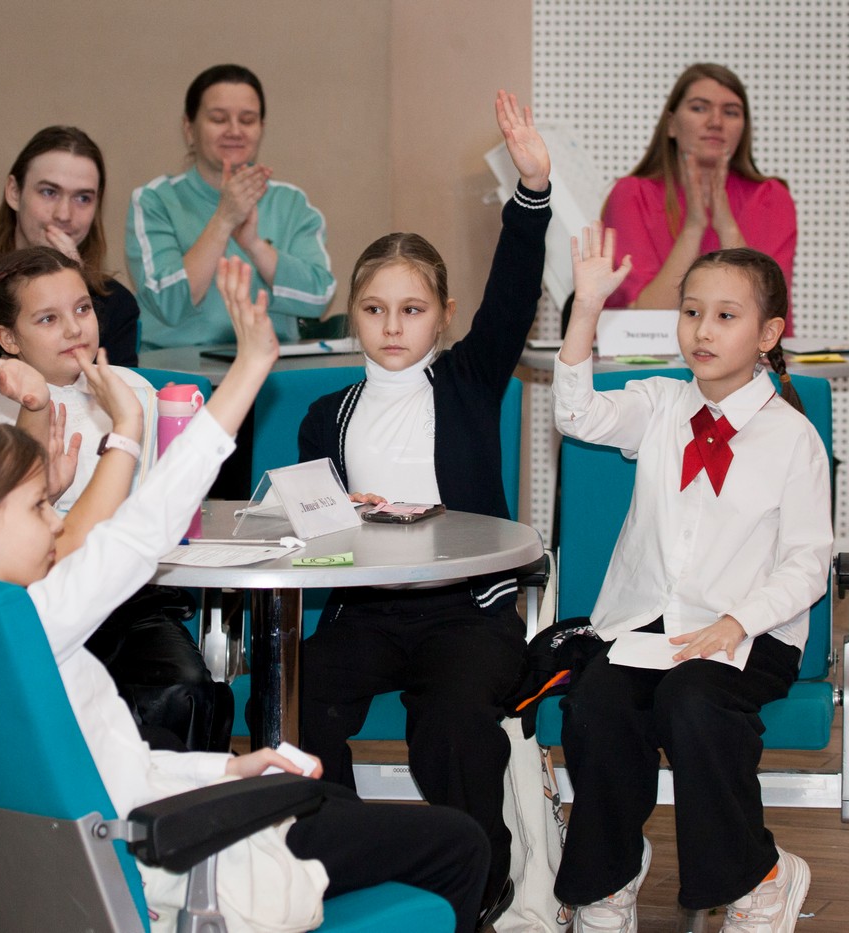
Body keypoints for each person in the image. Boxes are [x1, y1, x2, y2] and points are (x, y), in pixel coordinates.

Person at [0, 258, 488, 931]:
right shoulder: (28, 623)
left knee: (332, 802)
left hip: (108, 843)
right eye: (37, 507)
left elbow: (114, 765)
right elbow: (142, 528)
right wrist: (236, 374)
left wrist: (226, 770)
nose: (57, 523)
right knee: (459, 843)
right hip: (172, 859)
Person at [294, 93, 550, 928]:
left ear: (443, 315)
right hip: (366, 612)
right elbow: (314, 528)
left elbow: (513, 293)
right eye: (375, 309)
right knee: (300, 697)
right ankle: (342, 855)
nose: (392, 326)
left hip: (467, 614)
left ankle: (480, 879)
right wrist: (335, 514)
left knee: (451, 723)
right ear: (354, 315)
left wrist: (532, 193)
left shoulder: (470, 382)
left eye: (411, 309)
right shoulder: (325, 415)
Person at [551, 225, 830, 932]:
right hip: (646, 624)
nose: (703, 330)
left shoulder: (791, 438)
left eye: (726, 316)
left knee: (694, 701)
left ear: (768, 334)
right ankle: (609, 879)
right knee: (598, 702)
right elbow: (576, 414)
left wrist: (737, 622)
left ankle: (760, 877)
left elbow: (807, 561)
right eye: (692, 311)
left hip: (750, 633)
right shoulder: (661, 403)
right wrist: (587, 308)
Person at [0, 245, 233, 752]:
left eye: (82, 309)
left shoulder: (134, 391)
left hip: (131, 597)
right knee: (70, 705)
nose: (74, 329)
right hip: (46, 601)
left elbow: (167, 499)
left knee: (185, 689)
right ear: (9, 339)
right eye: (48, 319)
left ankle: (184, 794)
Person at [126, 63, 335, 349]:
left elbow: (319, 297)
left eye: (247, 120)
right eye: (219, 119)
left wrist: (254, 245)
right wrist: (224, 219)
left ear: (261, 129)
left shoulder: (292, 203)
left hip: (272, 365)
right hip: (174, 367)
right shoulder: (154, 200)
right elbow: (167, 303)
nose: (235, 131)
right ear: (189, 128)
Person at [0, 126, 139, 365]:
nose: (64, 214)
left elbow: (111, 386)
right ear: (14, 192)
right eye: (49, 192)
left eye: (83, 198)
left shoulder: (117, 306)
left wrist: (77, 286)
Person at [600, 64, 798, 334]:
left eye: (731, 112)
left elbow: (765, 314)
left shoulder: (771, 197)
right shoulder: (631, 194)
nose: (715, 122)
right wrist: (694, 227)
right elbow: (648, 319)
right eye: (699, 108)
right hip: (649, 358)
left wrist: (726, 227)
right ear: (671, 124)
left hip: (750, 360)